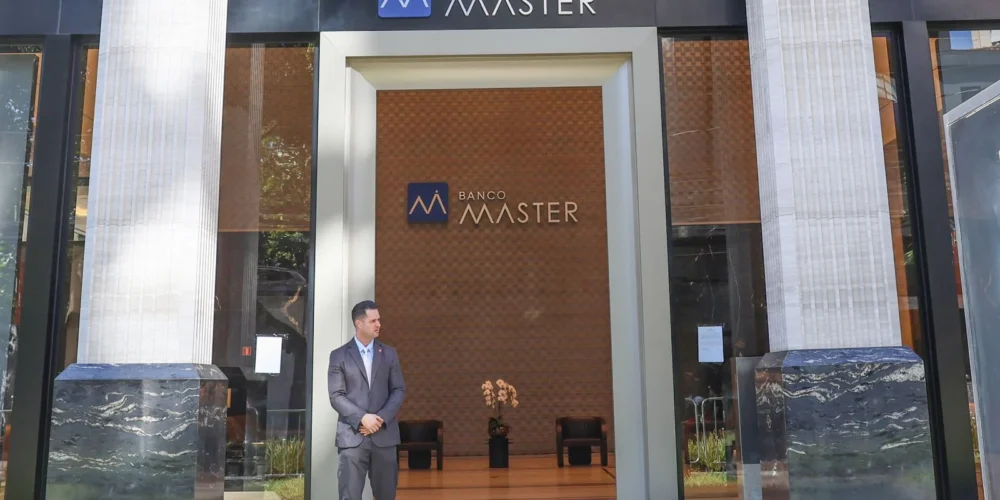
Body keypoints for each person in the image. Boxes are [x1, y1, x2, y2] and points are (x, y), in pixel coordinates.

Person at [328, 300, 406, 500]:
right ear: (358, 323)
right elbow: (336, 395)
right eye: (373, 321)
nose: (379, 324)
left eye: (379, 320)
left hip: (384, 437)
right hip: (352, 438)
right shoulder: (339, 356)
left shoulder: (389, 354)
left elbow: (398, 390)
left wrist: (379, 419)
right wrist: (363, 418)